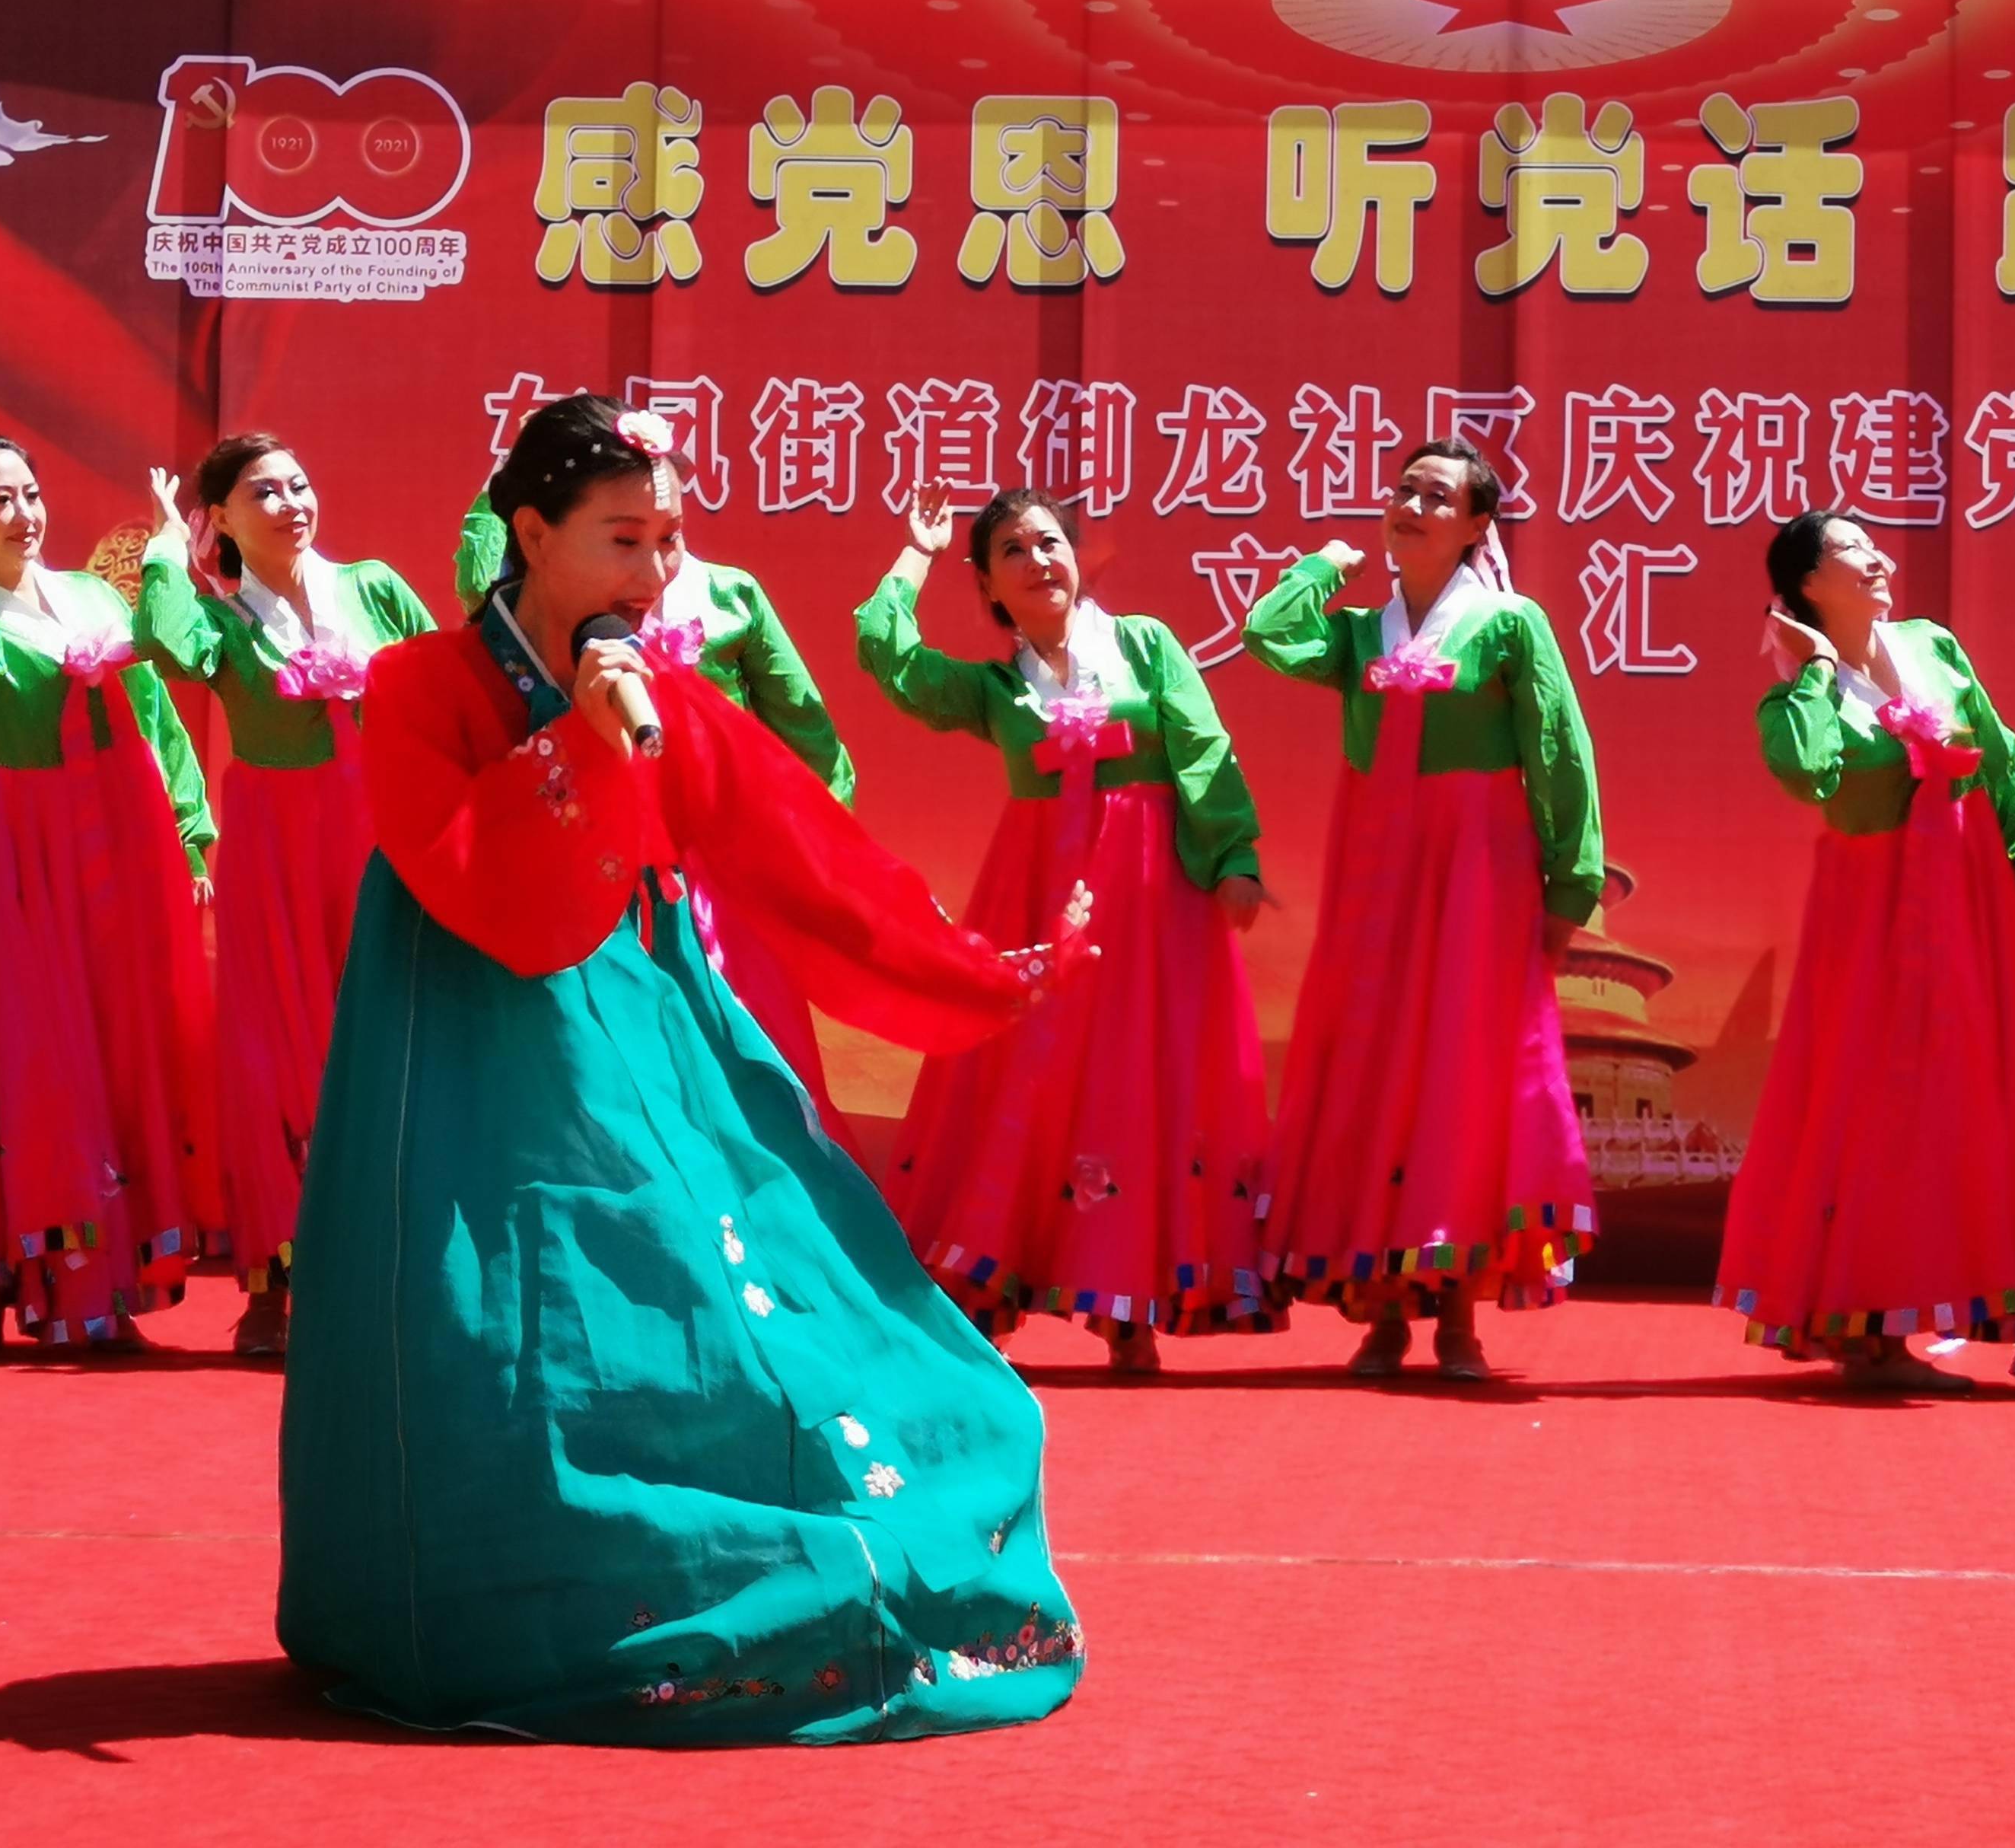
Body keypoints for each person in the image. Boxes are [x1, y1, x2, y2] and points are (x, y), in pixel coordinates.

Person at [277, 394, 1088, 1742]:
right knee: (491, 1316)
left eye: (668, 541)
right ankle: (470, 1594)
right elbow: (485, 895)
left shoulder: (665, 690)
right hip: (466, 1036)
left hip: (646, 1014)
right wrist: (582, 742)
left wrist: (976, 971)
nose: (656, 576)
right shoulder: (423, 683)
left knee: (735, 1273)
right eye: (622, 540)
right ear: (529, 533)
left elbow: (807, 860)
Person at [857, 480, 1273, 1371]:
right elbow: (891, 660)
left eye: (1051, 542)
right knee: (1023, 1078)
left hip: (1149, 908)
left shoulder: (1144, 647)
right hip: (1035, 901)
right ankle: (990, 1283)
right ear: (989, 588)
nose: (1039, 560)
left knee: (1135, 1078)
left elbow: (1203, 745)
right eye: (1013, 551)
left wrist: (1233, 857)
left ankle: (1130, 1308)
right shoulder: (996, 690)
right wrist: (915, 556)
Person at [1244, 438, 1603, 1381]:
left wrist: (1571, 885)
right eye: (1404, 488)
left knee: (1464, 1077)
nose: (1411, 503)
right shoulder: (1361, 631)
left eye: (1438, 495)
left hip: (1476, 876)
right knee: (1374, 1076)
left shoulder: (1509, 624)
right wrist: (1323, 565)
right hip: (1375, 878)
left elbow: (1559, 753)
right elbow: (1268, 635)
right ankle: (1381, 1311)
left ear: (1479, 525)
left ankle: (1456, 1315)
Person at [1715, 513, 2015, 1394]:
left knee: (1950, 1102)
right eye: (1851, 551)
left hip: (1963, 893)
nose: (1877, 559)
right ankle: (1863, 1320)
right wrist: (1822, 671)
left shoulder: (1930, 645)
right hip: (1871, 915)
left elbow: (2002, 752)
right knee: (1871, 1106)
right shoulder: (1798, 686)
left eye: (1875, 546)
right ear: (1806, 586)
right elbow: (1806, 773)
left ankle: (1904, 1306)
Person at [456, 455, 860, 1150]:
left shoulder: (731, 596)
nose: (652, 553)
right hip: (590, 849)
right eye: (623, 527)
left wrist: (822, 838)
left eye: (665, 529)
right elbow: (480, 554)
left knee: (748, 1026)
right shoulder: (553, 601)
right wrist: (521, 464)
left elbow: (802, 722)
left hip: (717, 863)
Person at [135, 437, 435, 1357]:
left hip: (383, 842)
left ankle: (401, 1270)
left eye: (300, 484)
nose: (292, 502)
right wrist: (159, 551)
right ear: (219, 517)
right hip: (276, 853)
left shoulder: (377, 588)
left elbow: (443, 686)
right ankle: (271, 1284)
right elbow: (163, 645)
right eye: (263, 492)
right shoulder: (222, 627)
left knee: (393, 1042)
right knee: (275, 1055)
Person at [0, 433, 215, 1350]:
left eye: (31, 494)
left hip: (104, 861)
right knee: (27, 1055)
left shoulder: (89, 595)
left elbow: (156, 714)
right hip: (10, 854)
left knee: (112, 1048)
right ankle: (14, 1268)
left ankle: (103, 1274)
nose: (24, 514)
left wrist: (191, 829)